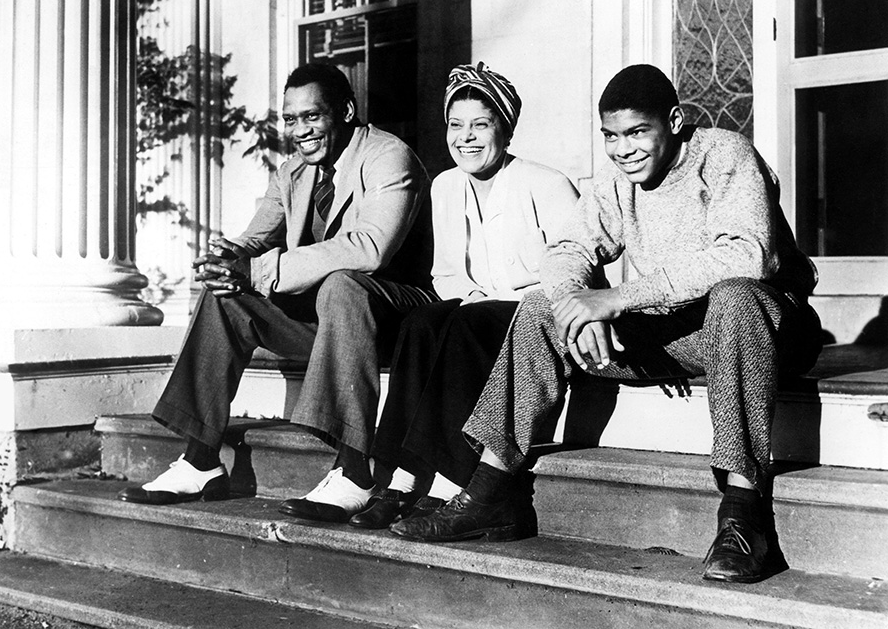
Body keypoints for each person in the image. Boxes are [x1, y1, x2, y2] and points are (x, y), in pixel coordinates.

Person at [391, 64, 823, 585]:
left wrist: (616, 298)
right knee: (541, 307)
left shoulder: (725, 155)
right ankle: (492, 489)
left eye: (638, 132)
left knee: (733, 296)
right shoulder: (616, 181)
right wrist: (577, 301)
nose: (625, 150)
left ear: (676, 121)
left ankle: (743, 511)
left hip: (768, 326)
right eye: (612, 137)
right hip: (681, 331)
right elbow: (568, 249)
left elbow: (744, 256)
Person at [119, 63, 436, 518]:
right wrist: (225, 261)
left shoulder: (388, 156)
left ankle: (355, 471)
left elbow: (370, 249)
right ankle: (200, 461)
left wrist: (258, 269)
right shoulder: (293, 171)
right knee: (225, 297)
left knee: (343, 285)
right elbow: (256, 240)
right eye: (290, 119)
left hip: (397, 317)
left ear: (346, 112)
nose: (300, 131)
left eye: (312, 117)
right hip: (331, 318)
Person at [329, 63, 579, 531]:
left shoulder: (546, 183)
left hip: (536, 320)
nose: (465, 137)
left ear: (504, 130)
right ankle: (401, 479)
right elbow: (446, 275)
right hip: (475, 311)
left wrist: (485, 302)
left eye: (480, 125)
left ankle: (446, 479)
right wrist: (471, 299)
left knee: (463, 324)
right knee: (422, 323)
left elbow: (575, 274)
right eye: (455, 125)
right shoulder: (445, 187)